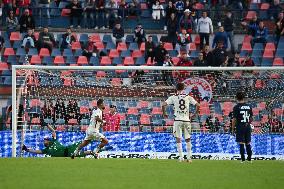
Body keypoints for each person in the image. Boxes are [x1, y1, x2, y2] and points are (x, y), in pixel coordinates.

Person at [162, 83, 200, 163]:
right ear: (184, 88)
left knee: (178, 138)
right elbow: (198, 105)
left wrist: (164, 113)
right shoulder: (188, 97)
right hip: (186, 120)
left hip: (178, 120)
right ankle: (189, 158)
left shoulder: (173, 97)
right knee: (188, 138)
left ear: (176, 88)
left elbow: (163, 104)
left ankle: (181, 157)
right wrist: (194, 114)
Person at [22, 123, 95, 157]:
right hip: (69, 155)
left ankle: (94, 138)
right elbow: (36, 151)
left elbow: (53, 131)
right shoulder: (46, 150)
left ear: (49, 140)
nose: (44, 141)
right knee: (81, 153)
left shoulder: (53, 141)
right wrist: (27, 150)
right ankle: (92, 152)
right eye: (44, 140)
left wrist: (47, 125)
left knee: (82, 143)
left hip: (69, 149)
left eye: (45, 140)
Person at [232, 91, 253, 163]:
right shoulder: (249, 106)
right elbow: (251, 118)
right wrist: (248, 124)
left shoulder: (236, 107)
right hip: (247, 126)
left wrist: (232, 128)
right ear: (244, 97)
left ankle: (243, 160)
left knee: (241, 143)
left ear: (237, 98)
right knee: (248, 143)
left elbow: (234, 119)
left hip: (240, 126)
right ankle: (249, 159)